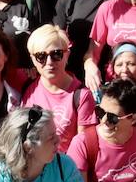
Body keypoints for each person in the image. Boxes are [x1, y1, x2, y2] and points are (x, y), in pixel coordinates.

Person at [22, 24, 97, 152]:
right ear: (33, 59)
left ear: (67, 54)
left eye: (56, 54)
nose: (49, 61)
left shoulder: (81, 95)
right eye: (41, 56)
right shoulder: (28, 89)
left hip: (65, 168)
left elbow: (85, 149)